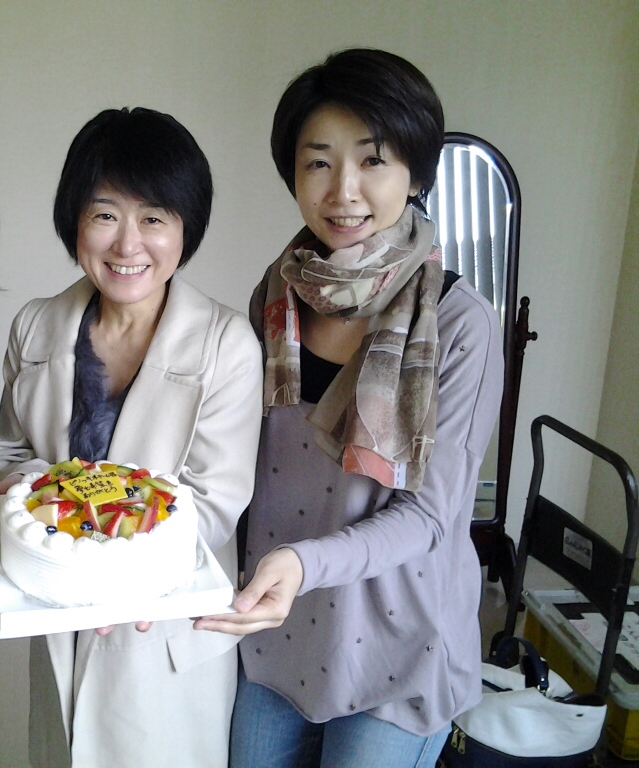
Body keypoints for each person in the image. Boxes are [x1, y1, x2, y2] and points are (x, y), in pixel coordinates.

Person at [194, 49, 504, 768]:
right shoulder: (276, 295)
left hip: (399, 647)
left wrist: (302, 563)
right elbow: (243, 460)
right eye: (318, 163)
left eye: (372, 161)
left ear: (415, 174)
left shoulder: (460, 322)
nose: (344, 191)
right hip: (275, 630)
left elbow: (430, 518)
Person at [0, 107, 263, 767]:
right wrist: (45, 510)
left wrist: (111, 575)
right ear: (74, 220)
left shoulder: (226, 344)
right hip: (55, 615)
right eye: (105, 214)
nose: (128, 244)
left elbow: (214, 503)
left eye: (154, 218)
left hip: (164, 640)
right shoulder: (36, 326)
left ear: (185, 228)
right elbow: (11, 457)